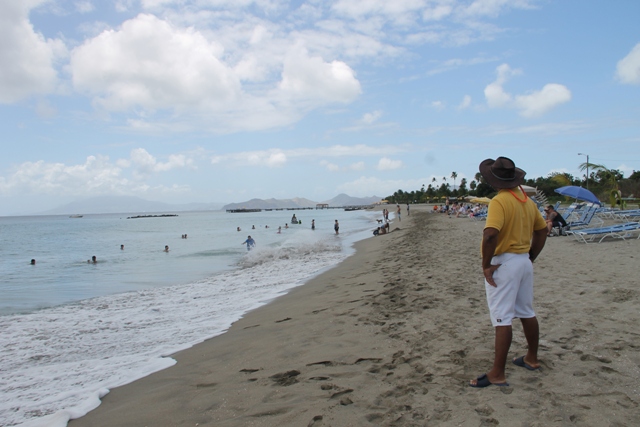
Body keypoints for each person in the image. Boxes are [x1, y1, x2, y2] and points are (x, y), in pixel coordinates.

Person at [470, 156, 547, 388]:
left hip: (504, 263)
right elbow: (542, 232)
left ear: (494, 181)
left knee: (502, 316)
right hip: (523, 260)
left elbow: (491, 234)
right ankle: (531, 358)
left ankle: (497, 373)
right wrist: (530, 256)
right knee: (526, 311)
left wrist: (485, 265)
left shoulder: (500, 201)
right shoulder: (526, 201)